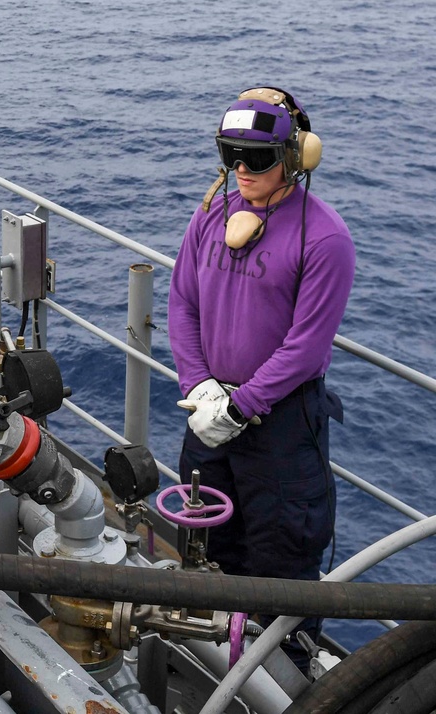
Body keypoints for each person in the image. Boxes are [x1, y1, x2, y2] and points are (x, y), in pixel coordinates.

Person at [167, 87, 355, 672]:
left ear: (297, 156)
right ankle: (209, 659)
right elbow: (182, 303)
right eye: (231, 157)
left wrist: (242, 405)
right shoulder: (210, 217)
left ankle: (283, 675)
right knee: (205, 543)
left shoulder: (325, 239)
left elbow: (305, 347)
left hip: (278, 426)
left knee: (281, 559)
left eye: (259, 159)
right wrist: (200, 386)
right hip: (209, 411)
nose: (242, 172)